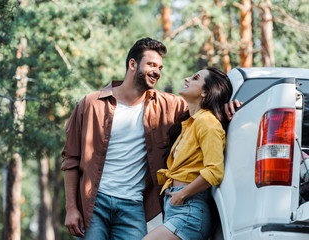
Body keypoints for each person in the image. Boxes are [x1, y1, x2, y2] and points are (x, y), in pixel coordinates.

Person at [61, 37, 240, 240]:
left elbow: (205, 106)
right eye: (152, 65)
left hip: (133, 206)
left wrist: (225, 106)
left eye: (160, 67)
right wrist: (71, 208)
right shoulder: (91, 104)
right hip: (94, 203)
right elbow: (71, 159)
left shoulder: (168, 105)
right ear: (132, 64)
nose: (157, 72)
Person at [142, 67, 233, 240]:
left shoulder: (207, 123)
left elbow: (214, 172)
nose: (187, 78)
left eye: (195, 78)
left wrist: (181, 195)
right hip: (176, 207)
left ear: (205, 92)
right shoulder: (190, 123)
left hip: (189, 210)